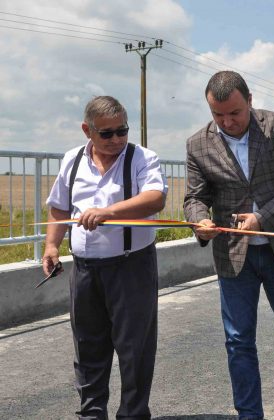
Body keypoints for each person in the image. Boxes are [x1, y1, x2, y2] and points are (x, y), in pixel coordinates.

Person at [183, 71, 274, 420]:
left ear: (250, 101)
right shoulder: (197, 144)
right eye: (218, 115)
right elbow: (195, 198)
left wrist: (262, 218)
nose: (227, 122)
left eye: (235, 113)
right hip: (233, 256)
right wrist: (200, 222)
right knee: (238, 340)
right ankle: (249, 414)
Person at [43, 95, 167, 419]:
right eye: (107, 133)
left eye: (122, 130)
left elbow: (155, 198)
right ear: (87, 130)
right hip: (85, 270)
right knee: (87, 346)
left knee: (135, 348)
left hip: (131, 266)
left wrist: (108, 212)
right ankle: (91, 413)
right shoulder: (72, 160)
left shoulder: (142, 158)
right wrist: (52, 246)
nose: (116, 139)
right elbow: (59, 207)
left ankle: (133, 414)